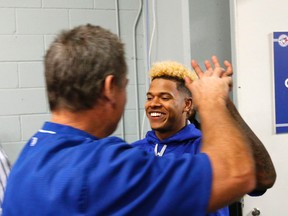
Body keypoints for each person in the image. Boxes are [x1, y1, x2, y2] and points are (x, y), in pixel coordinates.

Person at [2, 24, 257, 215]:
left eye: (165, 97)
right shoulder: (105, 166)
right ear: (109, 88)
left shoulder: (29, 157)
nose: (153, 103)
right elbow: (236, 174)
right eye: (126, 86)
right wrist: (213, 100)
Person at [132, 59, 276, 215]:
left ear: (187, 105)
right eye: (149, 97)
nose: (154, 103)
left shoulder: (210, 147)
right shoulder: (134, 151)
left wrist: (221, 100)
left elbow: (263, 180)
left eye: (165, 97)